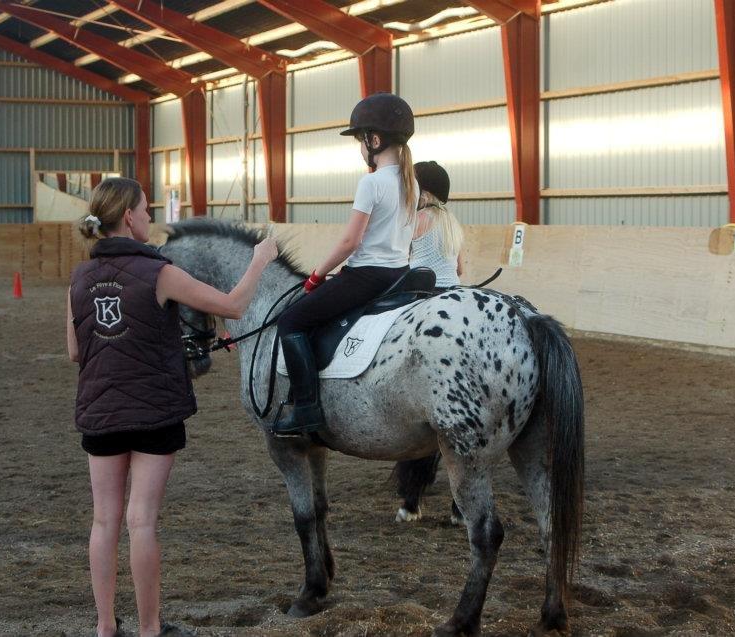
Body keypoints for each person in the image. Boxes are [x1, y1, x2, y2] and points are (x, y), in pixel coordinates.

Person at [67, 177, 277, 637]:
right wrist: (259, 261)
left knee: (104, 520)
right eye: (146, 209)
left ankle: (105, 626)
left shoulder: (80, 276)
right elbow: (234, 307)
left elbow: (76, 351)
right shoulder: (159, 271)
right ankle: (149, 628)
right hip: (152, 414)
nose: (149, 216)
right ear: (128, 216)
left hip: (100, 412)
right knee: (141, 521)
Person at [272, 93, 419, 437]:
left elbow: (349, 242)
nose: (359, 147)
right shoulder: (412, 182)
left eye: (359, 140)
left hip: (367, 276)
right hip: (400, 276)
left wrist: (316, 276)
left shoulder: (372, 182)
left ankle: (306, 410)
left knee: (291, 320)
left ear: (374, 140)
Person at [410, 161, 464, 288]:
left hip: (423, 290)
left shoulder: (416, 219)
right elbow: (460, 269)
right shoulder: (452, 221)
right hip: (452, 287)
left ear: (422, 192)